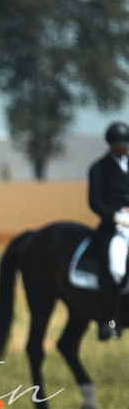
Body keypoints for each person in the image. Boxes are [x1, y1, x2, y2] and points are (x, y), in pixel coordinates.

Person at [88, 121, 129, 340]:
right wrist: (115, 215)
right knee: (117, 269)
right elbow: (94, 202)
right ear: (111, 145)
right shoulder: (99, 168)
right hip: (115, 228)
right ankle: (109, 322)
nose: (122, 148)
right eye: (118, 145)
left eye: (124, 145)